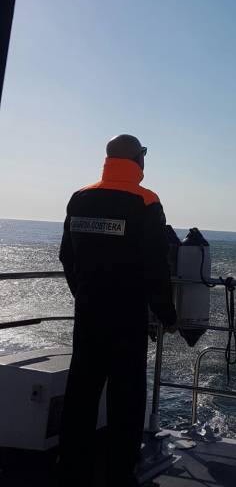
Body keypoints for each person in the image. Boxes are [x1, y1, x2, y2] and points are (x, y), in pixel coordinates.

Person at [58, 134, 178, 487]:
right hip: (126, 318)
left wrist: (82, 293)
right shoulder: (146, 201)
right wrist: (166, 314)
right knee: (125, 398)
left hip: (89, 314)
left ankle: (70, 468)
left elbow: (67, 256)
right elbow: (155, 267)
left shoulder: (80, 198)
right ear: (137, 160)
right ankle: (119, 473)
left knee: (81, 393)